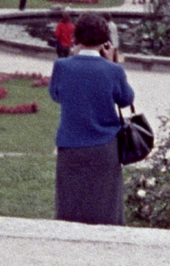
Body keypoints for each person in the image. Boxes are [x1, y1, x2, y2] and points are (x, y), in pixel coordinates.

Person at [49, 13, 136, 225]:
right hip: (104, 146)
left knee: (70, 206)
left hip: (70, 145)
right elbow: (126, 99)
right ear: (105, 40)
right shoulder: (113, 70)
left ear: (77, 37)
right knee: (106, 209)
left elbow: (56, 95)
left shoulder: (62, 66)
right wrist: (112, 62)